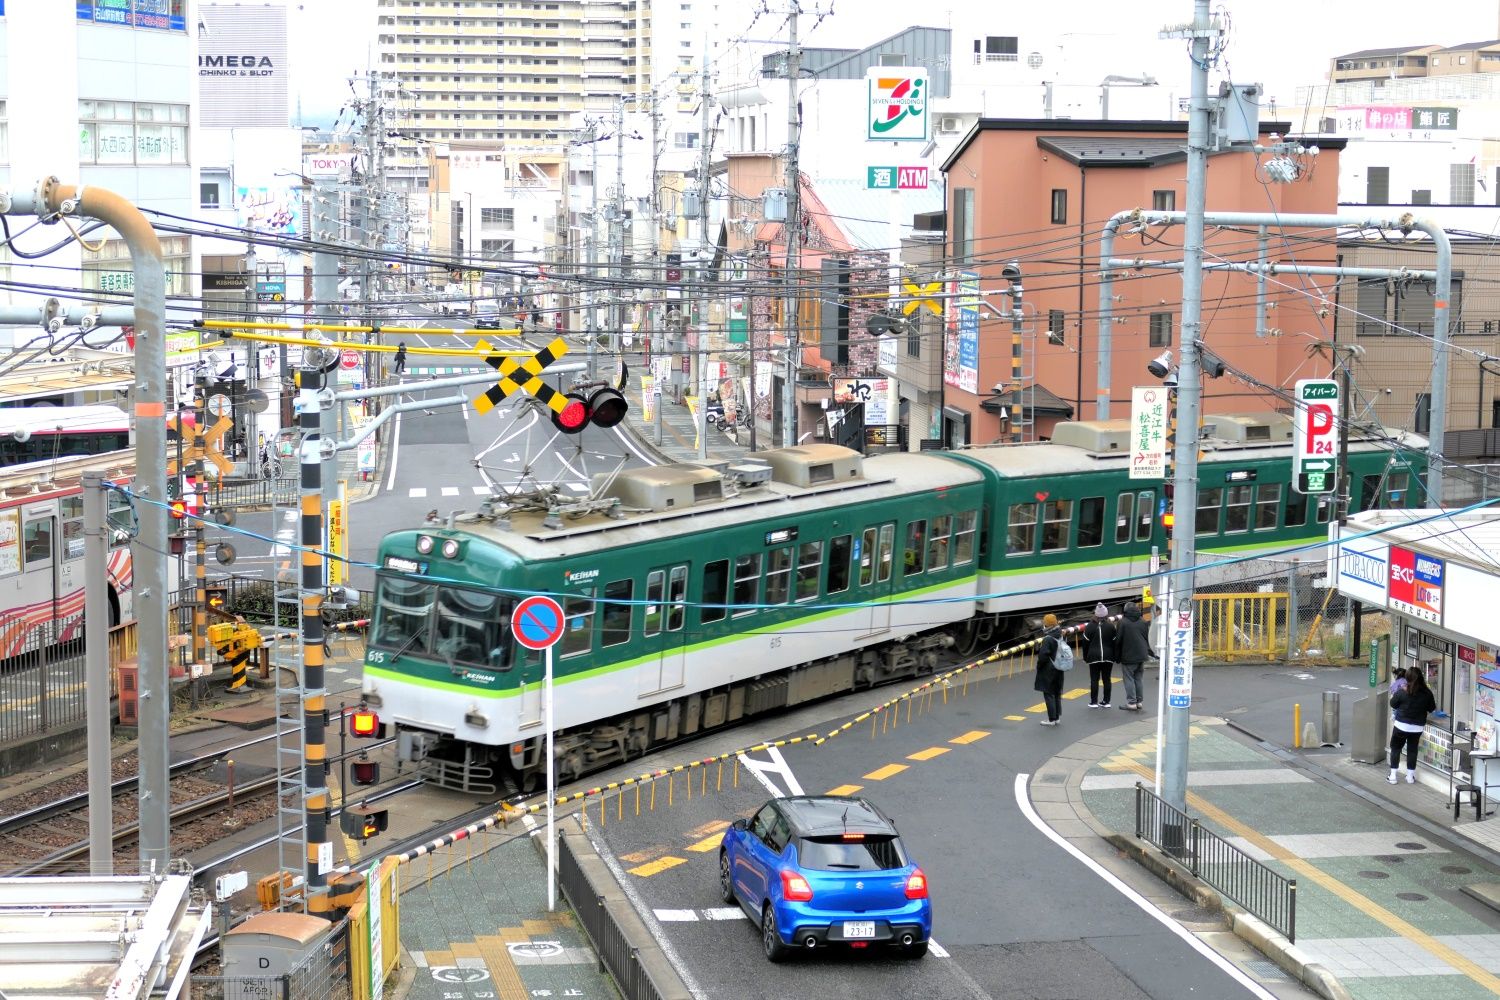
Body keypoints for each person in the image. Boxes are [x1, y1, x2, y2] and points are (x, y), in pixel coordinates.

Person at [1388, 668, 1437, 785]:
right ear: (1421, 677)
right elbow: (1431, 708)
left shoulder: (1402, 691)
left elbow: (1393, 703)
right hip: (1417, 727)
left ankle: (1393, 776)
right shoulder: (1427, 693)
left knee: (1395, 749)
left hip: (1401, 726)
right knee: (1412, 750)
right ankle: (1410, 777)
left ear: (1407, 678)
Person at [1115, 601, 1155, 711]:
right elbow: (1146, 637)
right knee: (1138, 678)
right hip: (1142, 655)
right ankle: (1139, 702)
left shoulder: (1123, 622)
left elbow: (1118, 640)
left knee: (1128, 679)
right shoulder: (1142, 621)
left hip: (1128, 655)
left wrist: (1117, 656)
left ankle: (1131, 702)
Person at [1081, 603, 1117, 709]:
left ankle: (1093, 702)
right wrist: (1114, 655)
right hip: (1108, 656)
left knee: (1094, 679)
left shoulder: (1090, 627)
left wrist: (1085, 657)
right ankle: (1106, 701)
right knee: (1107, 679)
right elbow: (1115, 642)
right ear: (1106, 614)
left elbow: (1085, 644)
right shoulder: (1111, 626)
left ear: (1095, 615)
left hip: (1093, 657)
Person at [1034, 613, 1066, 726]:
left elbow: (1043, 656)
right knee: (1057, 693)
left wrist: (1038, 666)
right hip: (1059, 667)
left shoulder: (1048, 639)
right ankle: (1057, 717)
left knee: (1049, 694)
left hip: (1049, 670)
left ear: (1047, 625)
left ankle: (1051, 719)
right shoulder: (1061, 634)